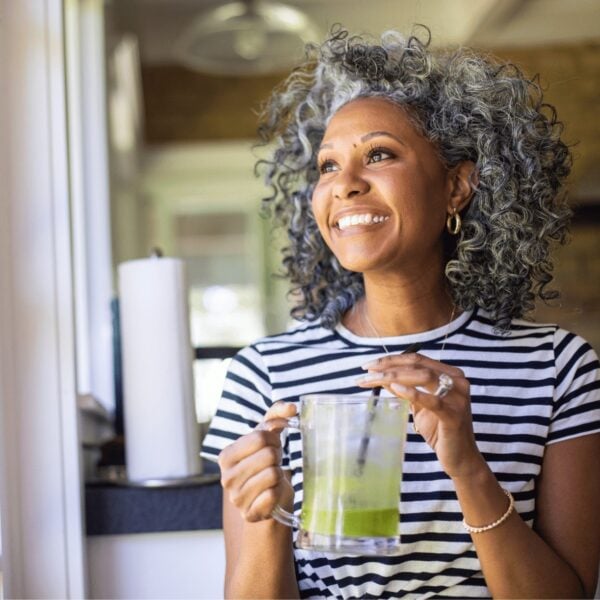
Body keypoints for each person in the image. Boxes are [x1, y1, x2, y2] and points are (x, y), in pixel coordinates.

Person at [201, 27, 600, 599]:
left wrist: (467, 466)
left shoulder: (558, 369)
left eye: (379, 154)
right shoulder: (264, 375)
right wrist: (268, 516)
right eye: (328, 166)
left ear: (457, 186)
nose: (345, 186)